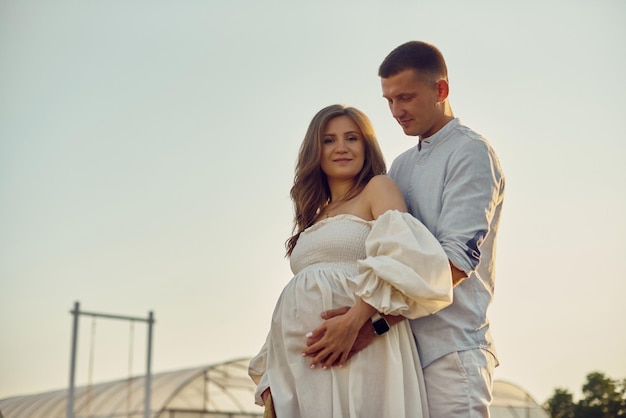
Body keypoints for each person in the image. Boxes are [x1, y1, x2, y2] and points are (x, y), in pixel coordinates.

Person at [304, 41, 506, 417]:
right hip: (398, 356)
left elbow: (455, 265)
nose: (397, 111)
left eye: (406, 98)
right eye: (389, 100)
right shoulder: (398, 168)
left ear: (441, 90)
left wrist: (366, 324)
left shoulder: (470, 152)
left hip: (451, 350)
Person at [248, 104, 454, 418]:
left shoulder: (378, 188)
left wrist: (354, 320)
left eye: (352, 138)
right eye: (329, 140)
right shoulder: (314, 216)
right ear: (315, 151)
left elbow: (406, 258)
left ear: (366, 146)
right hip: (305, 363)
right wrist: (270, 370)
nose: (341, 148)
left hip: (361, 347)